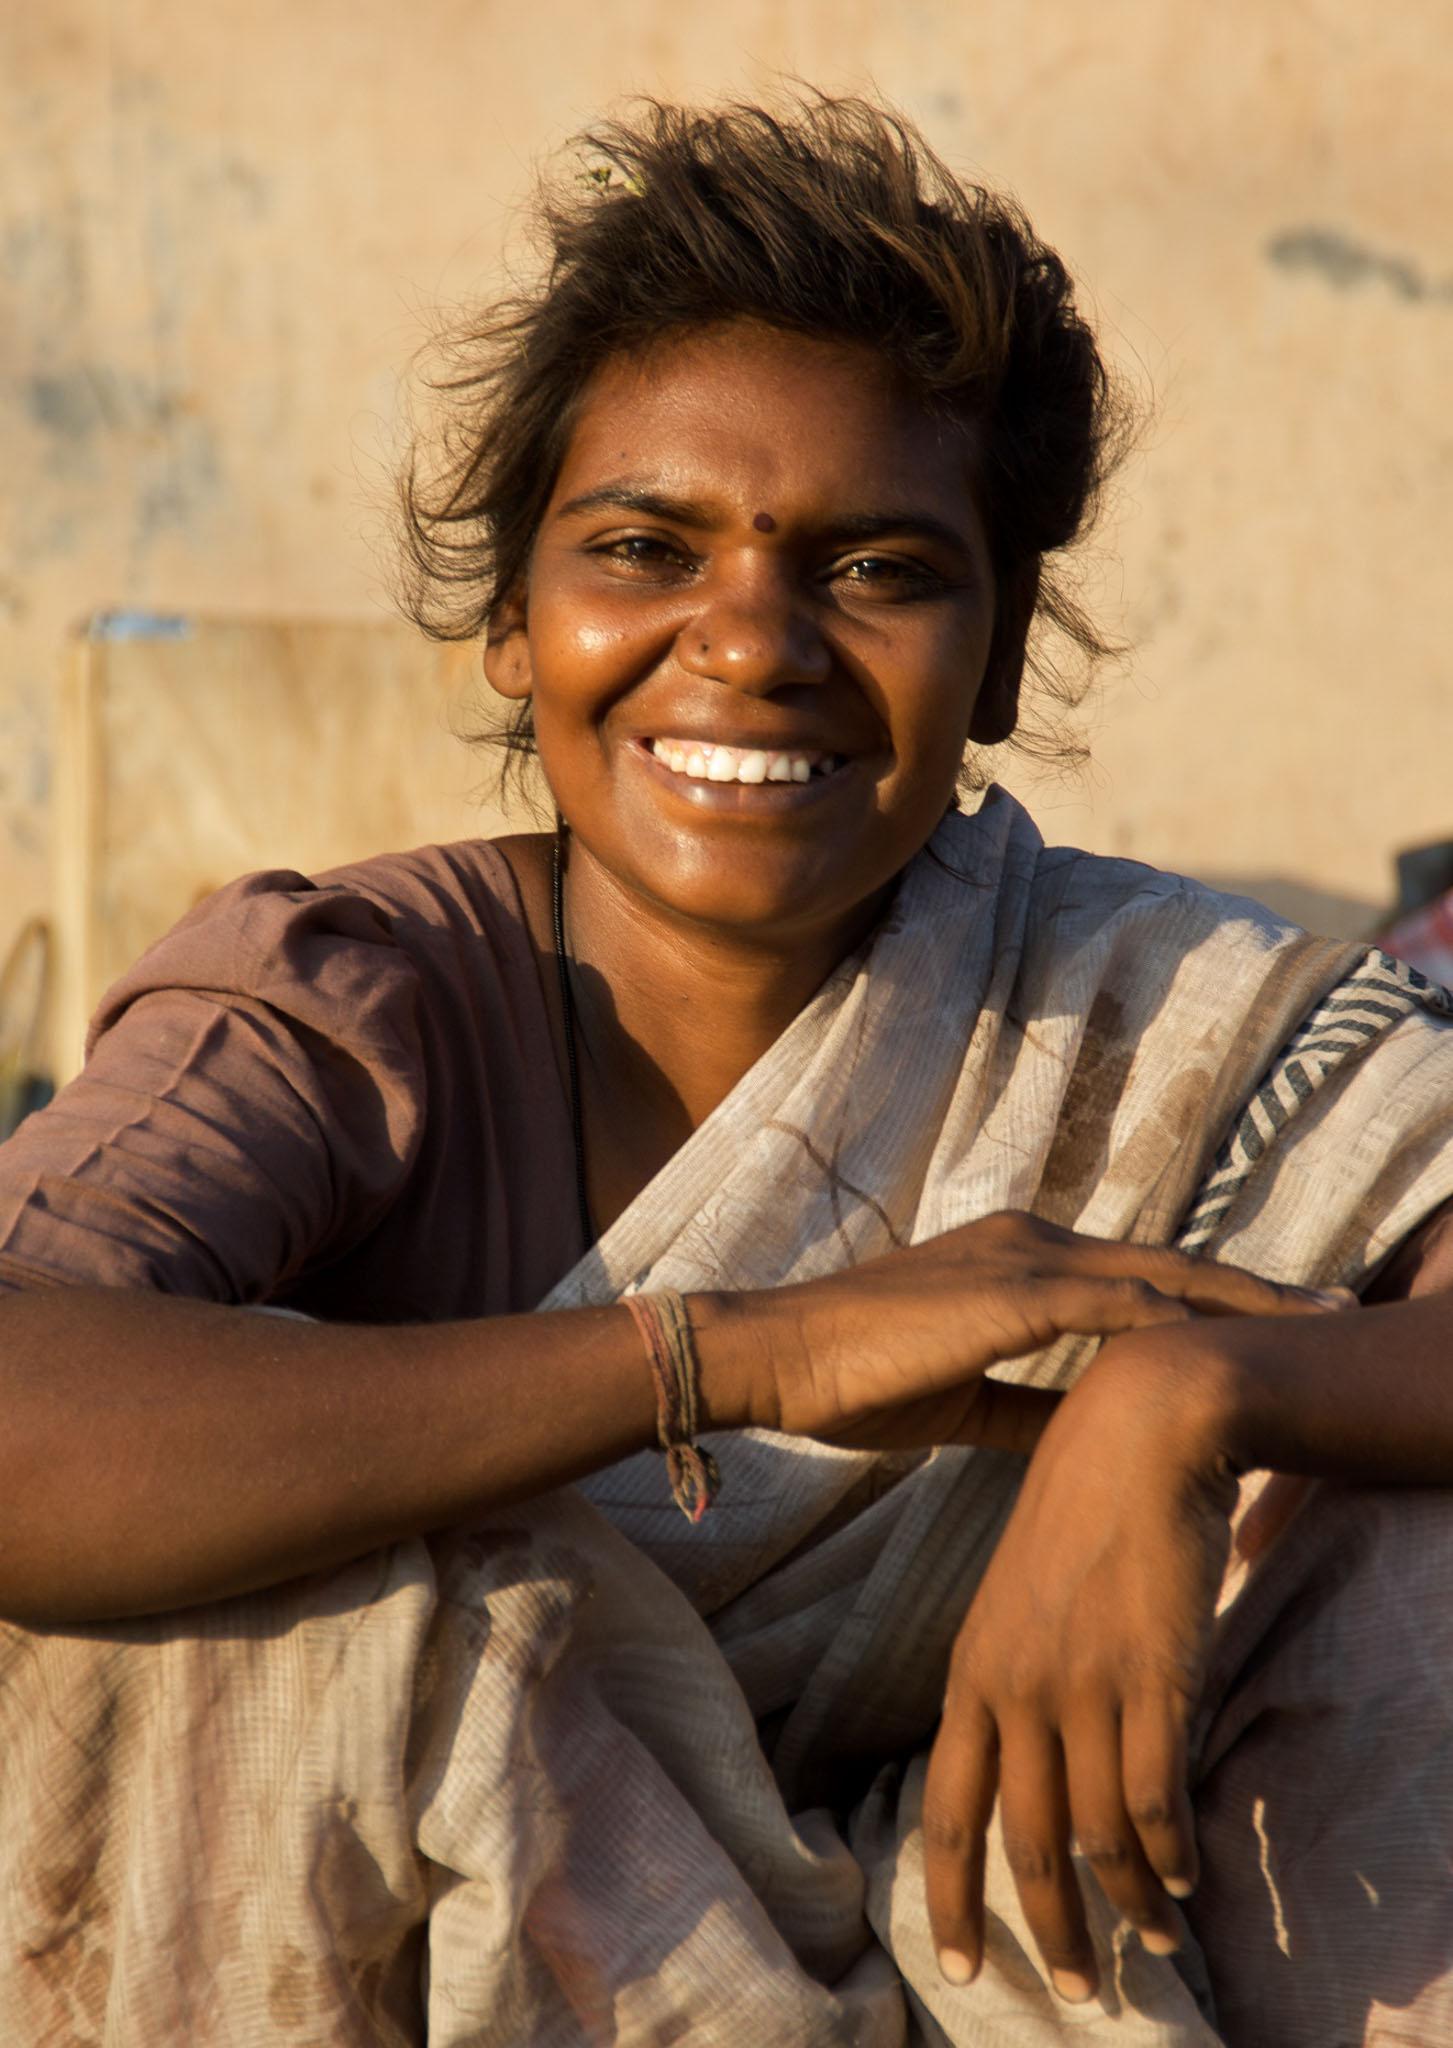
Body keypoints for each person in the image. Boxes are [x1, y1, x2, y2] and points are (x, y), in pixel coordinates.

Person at [1, 94, 1452, 2048]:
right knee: (282, 1618)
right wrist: (741, 1351)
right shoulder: (345, 1005)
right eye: (643, 545)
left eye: (872, 567)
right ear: (517, 625)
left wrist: (1190, 1393)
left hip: (1036, 1916)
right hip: (479, 1958)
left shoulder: (1157, 1014)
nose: (750, 640)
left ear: (1000, 660)